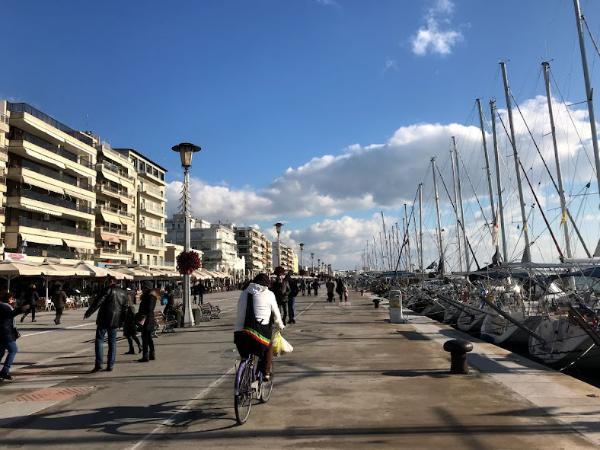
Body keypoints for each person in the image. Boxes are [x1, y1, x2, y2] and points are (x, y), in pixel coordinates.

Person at [234, 273, 284, 381]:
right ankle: (266, 373)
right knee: (268, 346)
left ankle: (244, 374)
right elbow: (276, 314)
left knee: (245, 356)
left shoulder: (244, 293)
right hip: (258, 335)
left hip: (239, 335)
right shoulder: (269, 294)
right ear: (266, 284)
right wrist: (280, 325)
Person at [84, 276, 128, 372]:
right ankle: (110, 365)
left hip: (104, 319)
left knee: (99, 340)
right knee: (112, 342)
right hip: (116, 320)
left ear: (111, 281)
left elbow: (98, 302)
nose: (105, 283)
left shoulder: (107, 290)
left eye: (107, 281)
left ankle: (99, 364)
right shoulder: (123, 292)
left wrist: (89, 312)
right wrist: (122, 321)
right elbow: (125, 308)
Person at [0, 292, 29, 381]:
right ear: (9, 299)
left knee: (0, 352)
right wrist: (21, 309)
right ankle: (5, 371)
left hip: (3, 332)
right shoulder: (4, 307)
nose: (13, 300)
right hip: (5, 332)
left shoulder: (3, 306)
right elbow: (10, 314)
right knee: (13, 350)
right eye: (12, 299)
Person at [137, 280, 159, 362]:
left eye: (143, 287)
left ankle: (145, 356)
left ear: (147, 288)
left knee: (145, 338)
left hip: (146, 319)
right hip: (148, 319)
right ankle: (152, 354)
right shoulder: (150, 296)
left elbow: (149, 308)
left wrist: (142, 314)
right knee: (148, 337)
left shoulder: (150, 296)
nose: (142, 289)